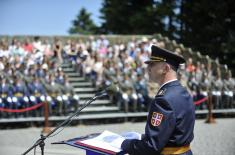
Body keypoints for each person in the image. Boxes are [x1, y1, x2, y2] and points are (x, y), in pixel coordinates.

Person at [116, 45, 195, 155]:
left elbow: (152, 146)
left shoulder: (164, 99)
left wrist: (124, 143)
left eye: (152, 64)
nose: (148, 68)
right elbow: (173, 132)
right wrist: (142, 137)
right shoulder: (182, 91)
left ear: (166, 69)